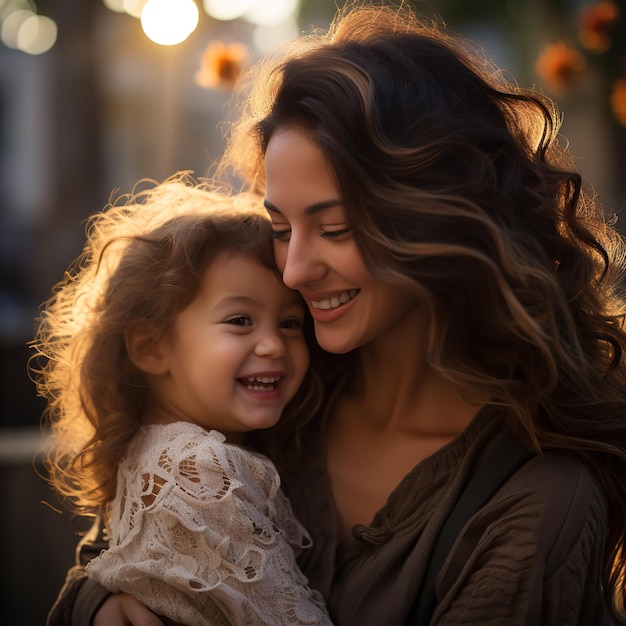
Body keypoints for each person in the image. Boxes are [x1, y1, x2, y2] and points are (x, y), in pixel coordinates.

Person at [47, 1, 626, 624]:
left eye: (336, 227)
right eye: (281, 227)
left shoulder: (538, 495)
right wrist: (100, 605)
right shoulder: (274, 391)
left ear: (440, 217)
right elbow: (123, 544)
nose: (294, 271)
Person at [31, 173, 333, 625]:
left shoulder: (146, 451)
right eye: (240, 320)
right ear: (152, 347)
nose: (274, 344)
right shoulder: (197, 469)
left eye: (290, 324)